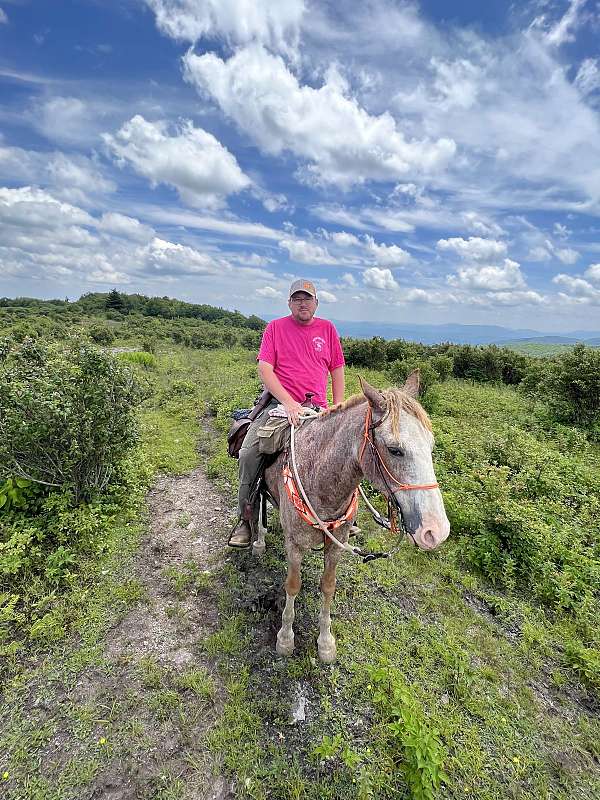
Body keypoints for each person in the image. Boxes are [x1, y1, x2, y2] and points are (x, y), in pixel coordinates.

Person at [229, 278, 346, 548]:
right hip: (278, 406)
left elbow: (337, 369)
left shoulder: (327, 329)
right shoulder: (275, 328)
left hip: (318, 408)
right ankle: (246, 520)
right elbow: (265, 369)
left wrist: (338, 407)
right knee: (248, 454)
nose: (302, 303)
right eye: (297, 298)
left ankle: (343, 517)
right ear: (289, 302)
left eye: (307, 298)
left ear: (316, 303)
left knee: (345, 452)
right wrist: (289, 403)